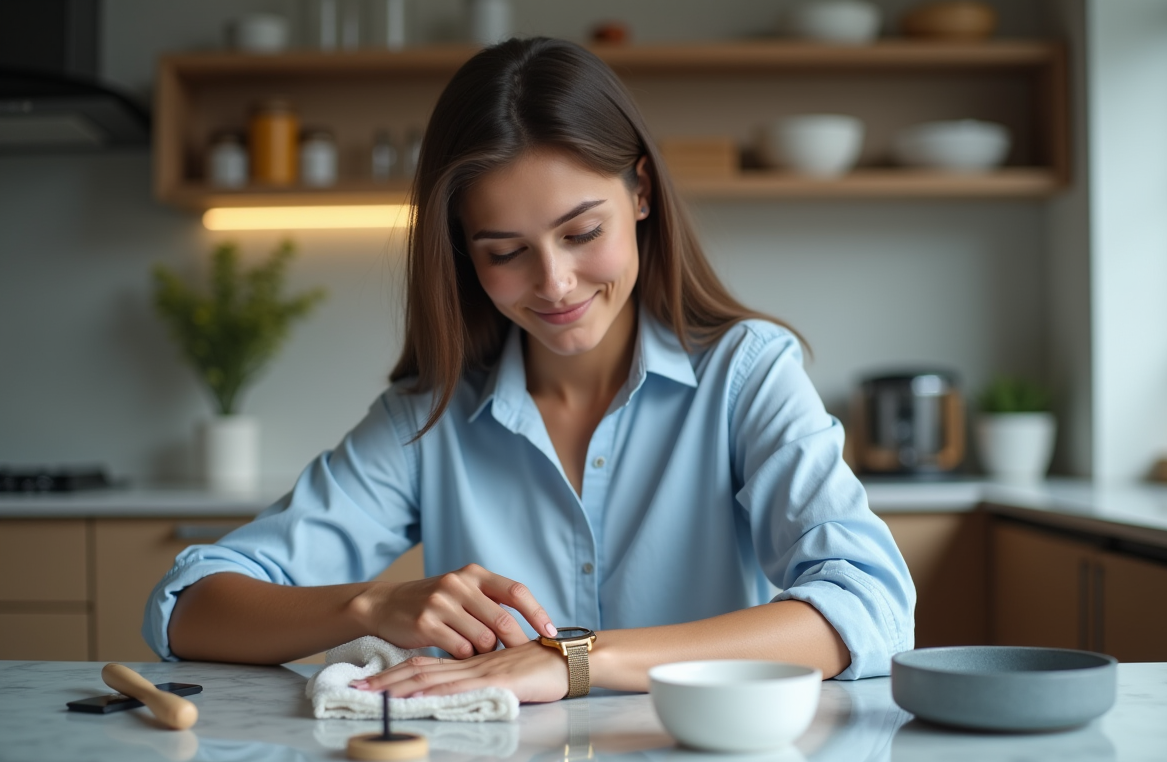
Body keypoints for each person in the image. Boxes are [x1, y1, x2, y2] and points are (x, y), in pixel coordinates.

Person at [145, 37, 915, 702]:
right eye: (506, 251)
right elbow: (186, 606)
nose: (554, 283)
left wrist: (575, 661)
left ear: (641, 193)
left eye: (581, 233)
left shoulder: (746, 374)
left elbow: (872, 604)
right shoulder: (429, 416)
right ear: (463, 252)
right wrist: (370, 607)